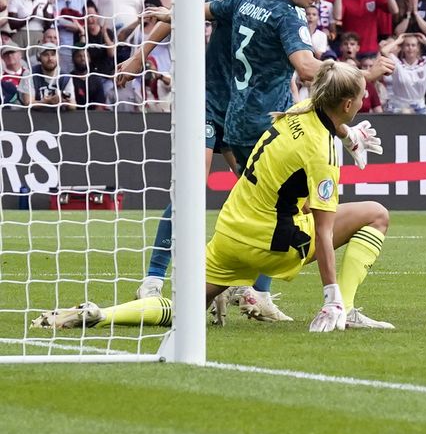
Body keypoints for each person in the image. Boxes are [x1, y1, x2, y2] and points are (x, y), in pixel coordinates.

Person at [34, 62, 396, 333]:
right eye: (362, 95)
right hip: (273, 244)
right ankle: (344, 307)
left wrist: (348, 136)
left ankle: (101, 314)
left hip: (231, 232)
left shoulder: (298, 109)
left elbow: (320, 115)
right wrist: (329, 294)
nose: (365, 99)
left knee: (186, 308)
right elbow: (323, 232)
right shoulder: (323, 153)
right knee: (376, 213)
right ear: (348, 103)